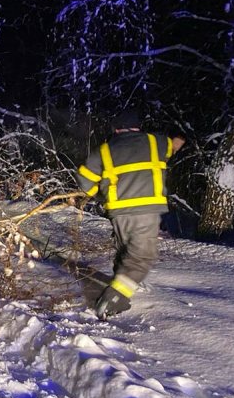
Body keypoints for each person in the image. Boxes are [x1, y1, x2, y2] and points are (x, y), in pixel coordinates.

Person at [76, 111, 185, 319]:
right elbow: (176, 144)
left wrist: (99, 196)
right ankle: (112, 300)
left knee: (126, 252)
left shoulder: (105, 151)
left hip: (118, 213)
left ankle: (118, 285)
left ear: (115, 128)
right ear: (137, 126)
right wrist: (181, 136)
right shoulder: (156, 142)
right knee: (142, 257)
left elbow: (84, 180)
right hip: (147, 211)